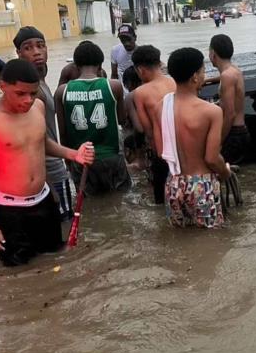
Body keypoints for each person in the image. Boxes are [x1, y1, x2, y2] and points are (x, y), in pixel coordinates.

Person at [0, 59, 95, 266]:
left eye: (33, 93)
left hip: (44, 203)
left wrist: (73, 154)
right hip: (10, 212)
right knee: (15, 275)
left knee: (54, 260)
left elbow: (41, 143)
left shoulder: (39, 108)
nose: (28, 100)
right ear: (2, 86)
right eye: (20, 94)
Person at [158, 48, 231, 228]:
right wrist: (225, 172)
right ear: (195, 77)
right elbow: (212, 158)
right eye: (203, 70)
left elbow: (161, 150)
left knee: (181, 240)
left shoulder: (161, 106)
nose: (204, 74)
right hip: (202, 185)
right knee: (212, 242)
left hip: (173, 184)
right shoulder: (211, 111)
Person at [13, 27, 75, 220]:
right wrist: (47, 184)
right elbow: (27, 141)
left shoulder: (39, 81)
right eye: (28, 48)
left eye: (40, 46)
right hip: (48, 171)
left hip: (50, 168)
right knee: (63, 224)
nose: (37, 52)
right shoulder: (31, 92)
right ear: (19, 53)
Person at [55, 42, 130, 195]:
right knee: (120, 200)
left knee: (88, 204)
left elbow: (62, 133)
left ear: (75, 66)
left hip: (81, 159)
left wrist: (68, 161)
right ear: (101, 65)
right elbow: (122, 119)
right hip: (112, 157)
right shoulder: (114, 86)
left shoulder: (62, 91)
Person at [131, 45, 177, 204]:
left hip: (162, 152)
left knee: (162, 202)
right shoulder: (174, 81)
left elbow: (147, 130)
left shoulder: (140, 92)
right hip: (183, 148)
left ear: (140, 70)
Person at [209, 34, 251, 165]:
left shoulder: (227, 76)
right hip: (241, 131)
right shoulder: (234, 70)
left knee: (225, 177)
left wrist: (219, 142)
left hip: (233, 134)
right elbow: (222, 78)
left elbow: (230, 114)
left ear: (212, 53)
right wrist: (206, 80)